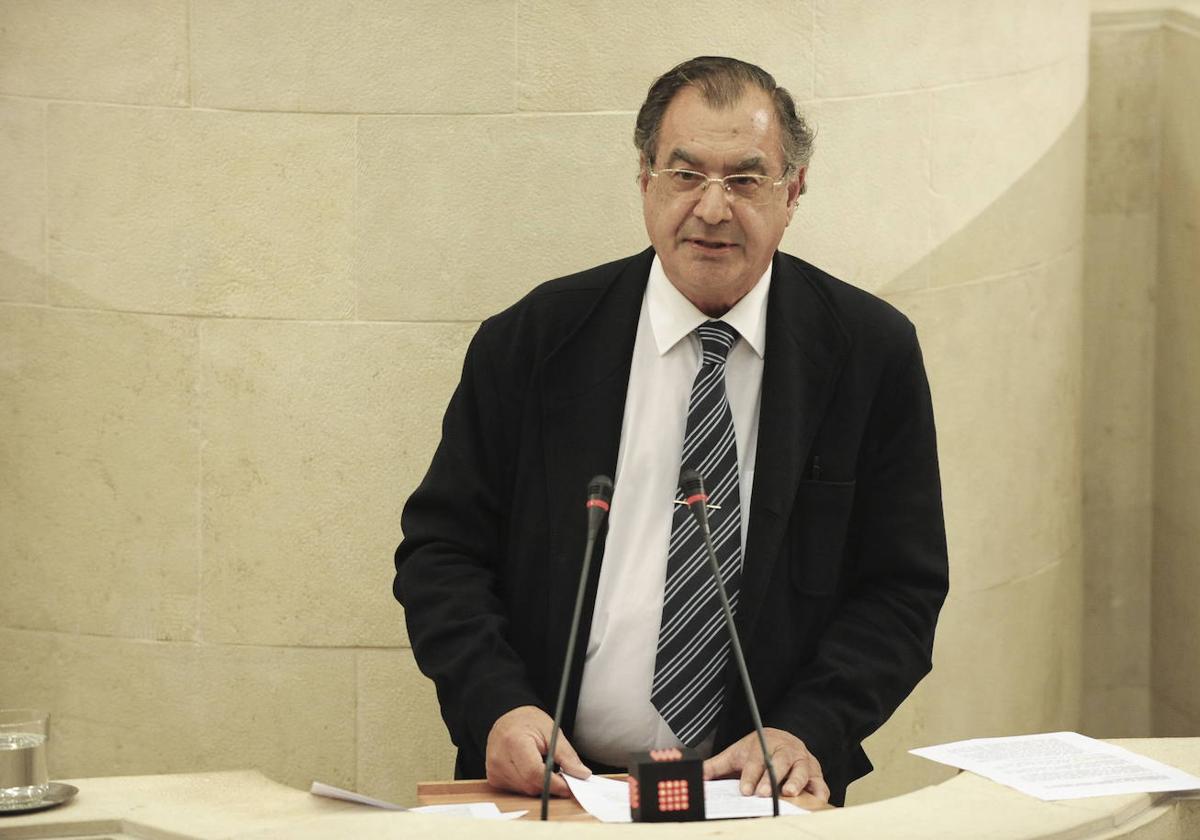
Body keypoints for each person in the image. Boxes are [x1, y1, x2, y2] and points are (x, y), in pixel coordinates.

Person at [394, 56, 948, 808]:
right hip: (558, 788)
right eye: (685, 176)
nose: (713, 209)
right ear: (645, 182)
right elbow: (442, 552)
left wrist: (809, 727)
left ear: (795, 191)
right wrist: (496, 704)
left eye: (746, 180)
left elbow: (901, 590)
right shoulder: (534, 341)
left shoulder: (868, 353)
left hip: (759, 794)